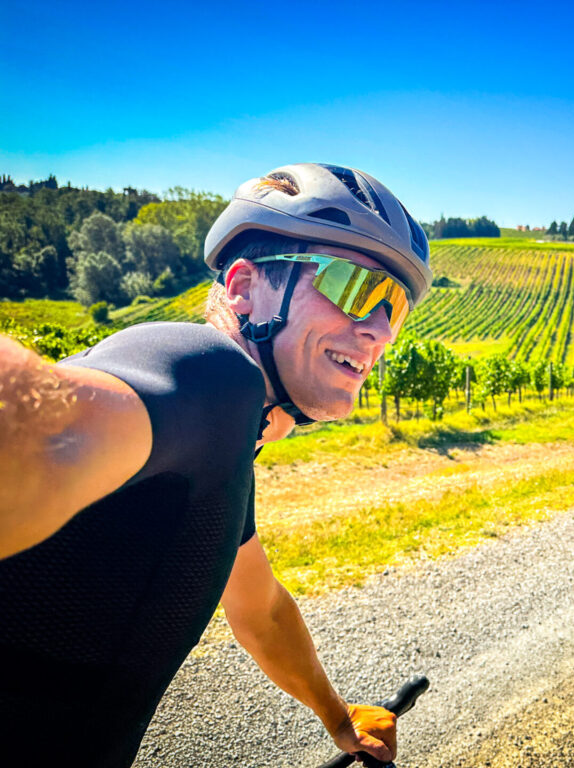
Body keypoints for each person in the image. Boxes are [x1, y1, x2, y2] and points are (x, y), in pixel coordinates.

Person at [0, 163, 432, 767]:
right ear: (245, 288)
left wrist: (340, 719)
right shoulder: (209, 375)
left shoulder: (219, 451)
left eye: (395, 307)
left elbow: (261, 609)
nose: (380, 330)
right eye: (355, 287)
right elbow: (32, 439)